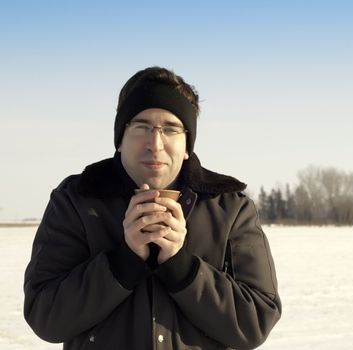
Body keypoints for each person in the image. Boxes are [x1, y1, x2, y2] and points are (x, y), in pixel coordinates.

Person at [23, 66, 281, 350]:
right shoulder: (77, 200)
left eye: (170, 129)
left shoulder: (230, 208)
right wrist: (123, 263)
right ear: (120, 138)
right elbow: (45, 317)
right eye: (141, 127)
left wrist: (182, 268)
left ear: (187, 145)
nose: (155, 144)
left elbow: (255, 323)